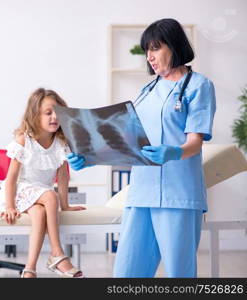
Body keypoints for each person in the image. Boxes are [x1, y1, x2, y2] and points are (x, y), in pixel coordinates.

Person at [67, 18, 216, 277]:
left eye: (155, 48)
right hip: (140, 193)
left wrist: (175, 152)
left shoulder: (198, 86)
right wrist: (91, 157)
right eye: (147, 50)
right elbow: (128, 144)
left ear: (175, 45)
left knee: (179, 274)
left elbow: (195, 141)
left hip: (178, 194)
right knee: (127, 273)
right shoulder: (147, 90)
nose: (149, 57)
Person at [0, 88, 86, 278]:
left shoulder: (61, 142)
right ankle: (57, 253)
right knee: (49, 195)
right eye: (48, 113)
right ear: (35, 115)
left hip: (42, 196)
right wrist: (10, 206)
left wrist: (66, 205)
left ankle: (29, 269)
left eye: (58, 113)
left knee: (39, 212)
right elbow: (11, 177)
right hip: (20, 191)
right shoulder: (24, 140)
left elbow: (63, 177)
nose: (55, 117)